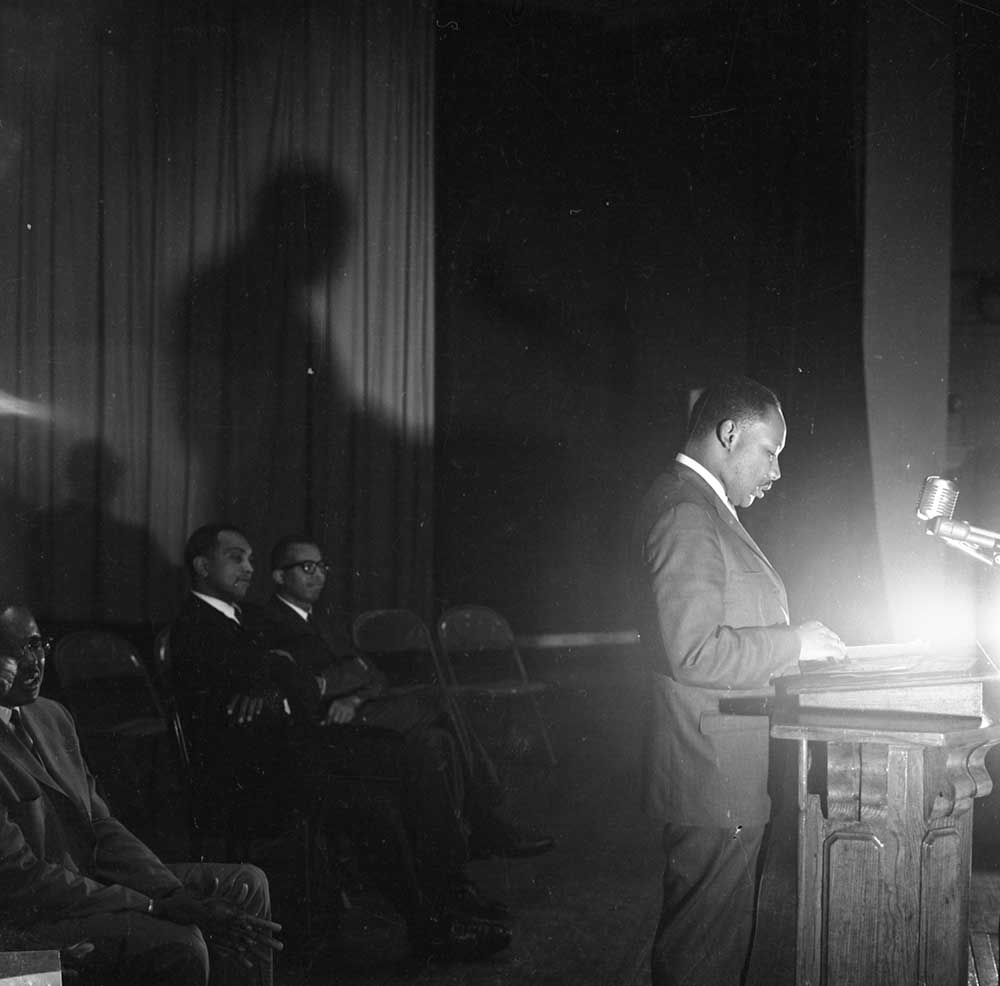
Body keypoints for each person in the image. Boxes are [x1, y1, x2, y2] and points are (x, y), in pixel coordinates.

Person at [169, 523, 512, 961]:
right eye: (237, 557)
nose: (249, 568)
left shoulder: (243, 619)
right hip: (255, 779)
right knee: (380, 793)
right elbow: (241, 713)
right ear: (202, 566)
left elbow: (289, 676)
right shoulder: (195, 629)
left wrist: (282, 685)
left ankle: (445, 901)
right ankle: (436, 919)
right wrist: (284, 686)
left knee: (411, 756)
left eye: (252, 558)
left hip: (294, 753)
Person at [632, 377, 846, 986]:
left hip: (719, 765)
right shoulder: (685, 511)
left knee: (714, 944)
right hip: (709, 770)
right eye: (770, 451)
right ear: (729, 434)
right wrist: (795, 642)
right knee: (705, 950)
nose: (776, 471)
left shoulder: (694, 504)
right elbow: (695, 653)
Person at [0, 602, 281, 986]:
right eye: (12, 652)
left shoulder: (51, 716)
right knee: (181, 942)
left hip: (89, 884)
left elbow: (100, 824)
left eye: (36, 645)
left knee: (246, 886)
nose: (33, 663)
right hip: (30, 923)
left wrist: (172, 891)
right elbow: (24, 881)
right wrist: (152, 903)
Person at [249, 534, 555, 860]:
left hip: (355, 711)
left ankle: (453, 848)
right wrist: (343, 679)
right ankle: (488, 820)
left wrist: (352, 697)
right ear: (280, 576)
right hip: (322, 726)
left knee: (438, 739)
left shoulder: (325, 620)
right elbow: (304, 684)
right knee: (438, 700)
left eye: (322, 567)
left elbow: (372, 675)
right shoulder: (268, 622)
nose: (319, 575)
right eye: (307, 567)